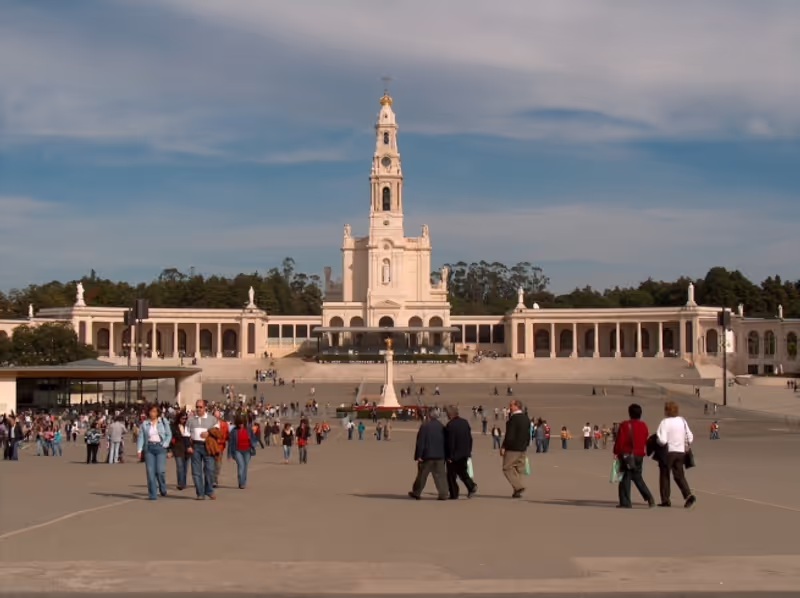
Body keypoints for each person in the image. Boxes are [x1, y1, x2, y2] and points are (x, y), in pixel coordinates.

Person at [612, 403, 655, 509]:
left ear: (630, 413)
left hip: (627, 454)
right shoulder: (643, 425)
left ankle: (625, 502)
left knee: (625, 477)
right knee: (637, 477)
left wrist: (616, 452)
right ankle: (649, 497)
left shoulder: (625, 425)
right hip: (639, 455)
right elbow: (645, 438)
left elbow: (620, 440)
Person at [656, 401, 696, 509]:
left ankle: (665, 500)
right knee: (679, 476)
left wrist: (657, 441)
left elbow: (662, 440)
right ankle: (688, 495)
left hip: (668, 452)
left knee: (664, 475)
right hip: (680, 452)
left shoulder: (665, 422)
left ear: (666, 410)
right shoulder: (682, 421)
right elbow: (690, 437)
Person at [408, 411, 448, 500]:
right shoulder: (442, 426)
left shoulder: (425, 426)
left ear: (429, 416)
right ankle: (443, 493)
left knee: (422, 476)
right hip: (440, 455)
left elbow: (421, 442)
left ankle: (416, 492)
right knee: (441, 476)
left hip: (427, 455)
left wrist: (419, 455)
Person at [136, 404, 173, 500]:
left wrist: (165, 444)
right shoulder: (145, 424)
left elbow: (169, 434)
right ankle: (152, 494)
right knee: (150, 472)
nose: (152, 413)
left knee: (160, 471)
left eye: (154, 412)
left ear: (158, 413)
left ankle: (162, 487)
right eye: (151, 411)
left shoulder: (163, 421)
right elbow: (141, 437)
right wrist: (139, 449)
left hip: (160, 448)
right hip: (149, 448)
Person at [186, 399, 219, 501]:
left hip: (208, 446)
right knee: (196, 472)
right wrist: (188, 446)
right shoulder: (190, 420)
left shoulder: (212, 419)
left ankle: (208, 490)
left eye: (200, 407)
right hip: (195, 446)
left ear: (205, 408)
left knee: (210, 470)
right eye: (197, 407)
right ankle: (200, 493)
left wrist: (209, 433)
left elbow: (218, 431)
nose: (198, 409)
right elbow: (186, 434)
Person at [444, 406, 477, 500]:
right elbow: (470, 438)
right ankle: (471, 486)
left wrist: (449, 456)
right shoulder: (464, 422)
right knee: (462, 472)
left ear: (450, 414)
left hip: (454, 454)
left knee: (451, 475)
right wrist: (469, 450)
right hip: (464, 452)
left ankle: (454, 493)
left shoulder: (451, 425)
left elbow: (450, 442)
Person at [500, 399, 530, 498]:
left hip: (513, 448)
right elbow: (528, 434)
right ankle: (516, 491)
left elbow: (510, 435)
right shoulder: (526, 418)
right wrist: (526, 444)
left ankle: (518, 487)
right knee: (518, 469)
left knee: (507, 468)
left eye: (511, 405)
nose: (510, 407)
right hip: (522, 447)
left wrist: (504, 446)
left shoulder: (513, 419)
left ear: (517, 406)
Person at [228, 414, 257, 489]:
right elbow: (230, 442)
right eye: (239, 423)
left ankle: (243, 482)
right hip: (237, 450)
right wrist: (229, 454)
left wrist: (253, 444)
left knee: (245, 467)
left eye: (242, 423)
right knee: (241, 466)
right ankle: (241, 483)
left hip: (247, 450)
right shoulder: (234, 431)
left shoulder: (248, 429)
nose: (241, 425)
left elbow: (254, 438)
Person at [170, 411, 190, 490]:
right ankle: (180, 483)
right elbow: (171, 437)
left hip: (187, 448)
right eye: (182, 418)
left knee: (185, 467)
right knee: (179, 466)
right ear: (179, 418)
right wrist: (170, 449)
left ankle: (183, 483)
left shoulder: (188, 426)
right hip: (177, 448)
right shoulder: (174, 426)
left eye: (185, 419)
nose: (184, 420)